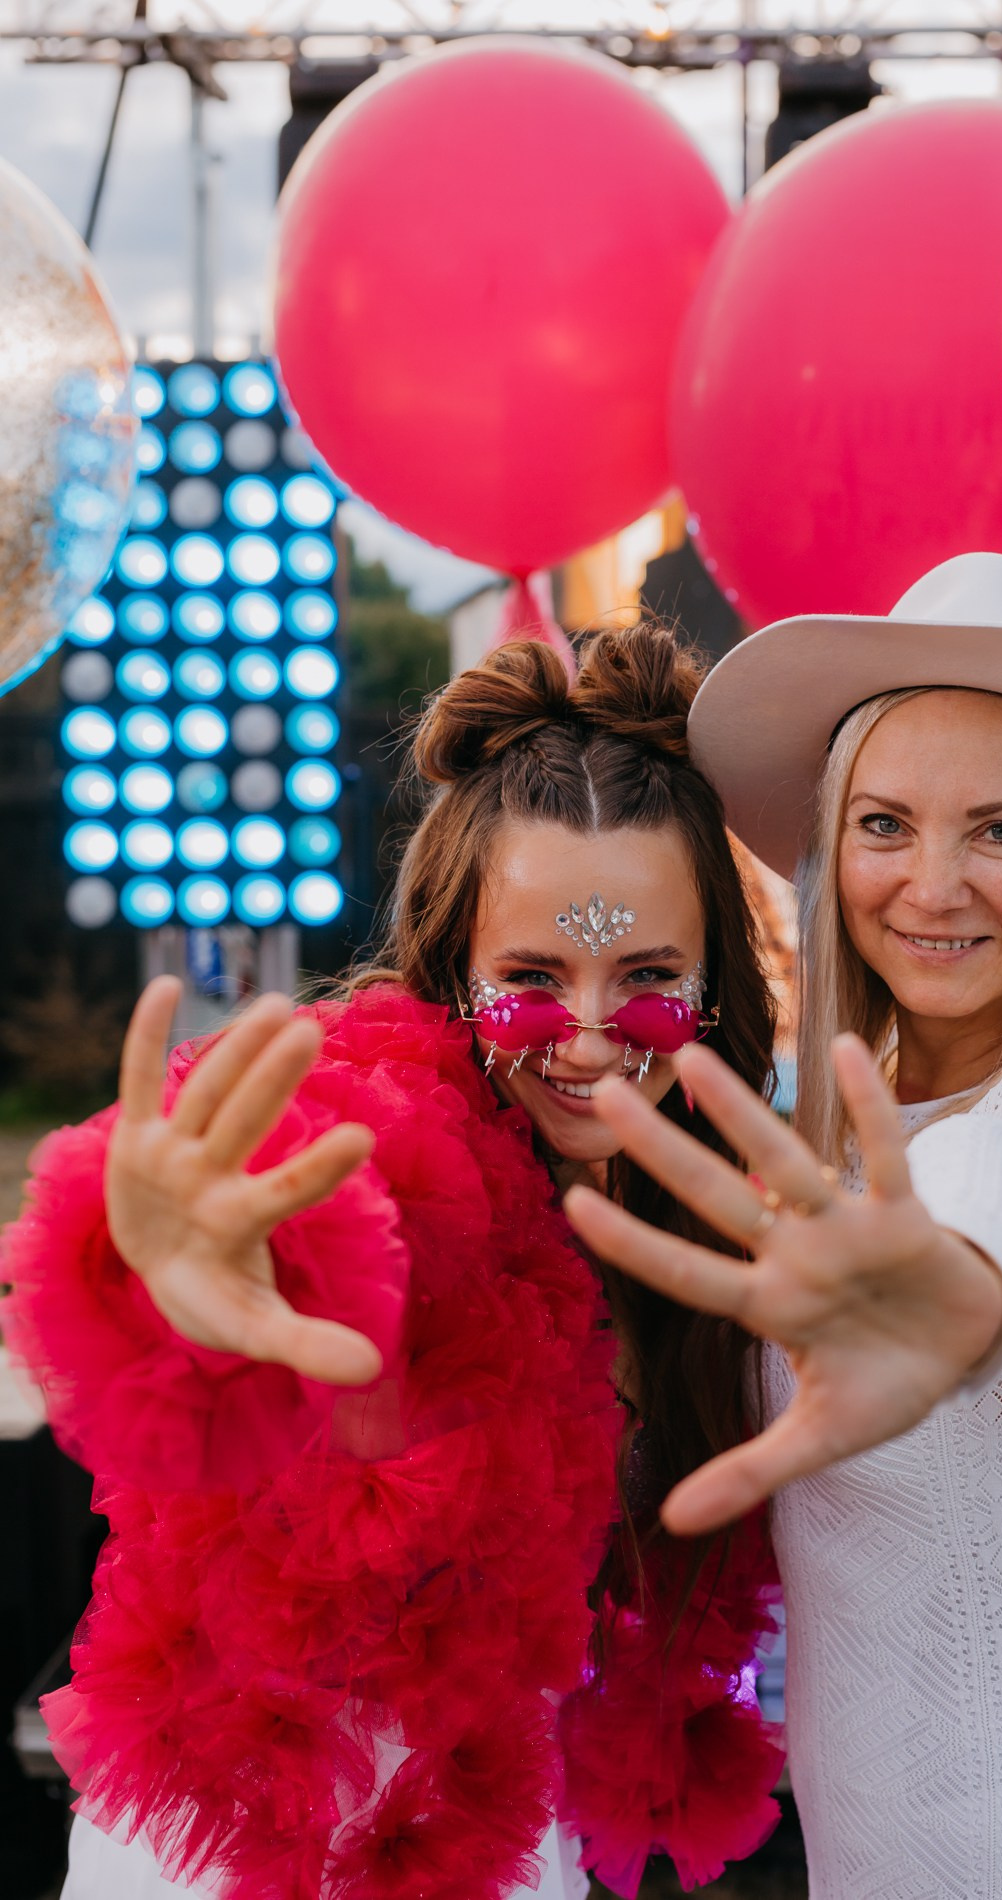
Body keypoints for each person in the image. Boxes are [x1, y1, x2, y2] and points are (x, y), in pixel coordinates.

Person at [2, 625, 783, 1900]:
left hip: (499, 1841)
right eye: (530, 981)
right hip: (247, 1853)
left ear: (714, 992)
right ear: (452, 970)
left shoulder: (714, 1219)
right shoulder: (386, 1139)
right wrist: (174, 1281)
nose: (587, 1041)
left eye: (645, 981)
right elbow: (296, 1215)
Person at [564, 553, 1002, 1899]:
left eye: (999, 830)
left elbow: (1001, 1202)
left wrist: (950, 1291)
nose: (930, 884)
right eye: (884, 824)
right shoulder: (851, 1138)